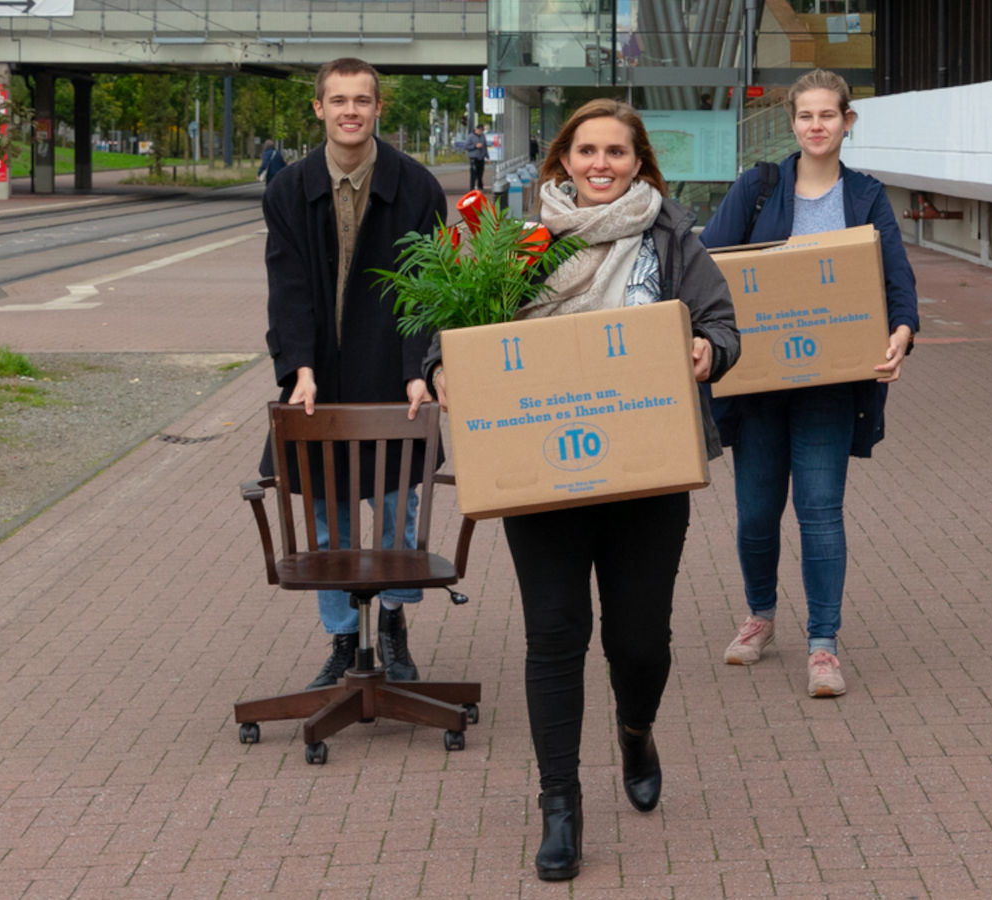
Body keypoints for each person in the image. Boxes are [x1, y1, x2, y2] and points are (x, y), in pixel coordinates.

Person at [429, 98, 740, 882]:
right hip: (543, 479)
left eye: (617, 153)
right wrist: (441, 374)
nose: (601, 165)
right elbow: (455, 334)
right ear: (562, 160)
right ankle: (559, 804)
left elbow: (723, 324)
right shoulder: (518, 243)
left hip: (647, 477)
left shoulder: (672, 237)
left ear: (640, 164)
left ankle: (635, 727)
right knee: (555, 638)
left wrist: (708, 348)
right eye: (587, 151)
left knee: (639, 641)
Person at [699, 68, 920, 696]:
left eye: (828, 115)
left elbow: (895, 280)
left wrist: (901, 333)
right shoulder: (760, 188)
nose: (816, 126)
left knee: (820, 512)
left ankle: (823, 645)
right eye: (805, 116)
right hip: (759, 382)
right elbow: (711, 265)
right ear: (791, 123)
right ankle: (761, 617)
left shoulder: (867, 197)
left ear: (847, 122)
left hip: (830, 385)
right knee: (756, 514)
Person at [260, 58, 448, 691]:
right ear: (318, 108)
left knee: (398, 509)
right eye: (338, 100)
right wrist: (299, 370)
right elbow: (287, 288)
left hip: (393, 376)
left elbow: (428, 289)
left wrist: (421, 369)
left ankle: (392, 622)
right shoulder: (288, 190)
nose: (349, 110)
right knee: (328, 516)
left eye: (361, 100)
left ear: (377, 109)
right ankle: (343, 637)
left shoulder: (417, 188)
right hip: (322, 378)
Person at [465, 123, 487, 192]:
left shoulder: (483, 136)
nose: (481, 132)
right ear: (477, 129)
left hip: (481, 157)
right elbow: (466, 147)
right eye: (480, 130)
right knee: (473, 173)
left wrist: (487, 156)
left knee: (480, 174)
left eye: (482, 131)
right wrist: (475, 146)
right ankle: (472, 188)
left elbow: (485, 146)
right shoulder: (470, 136)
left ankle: (480, 187)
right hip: (473, 158)